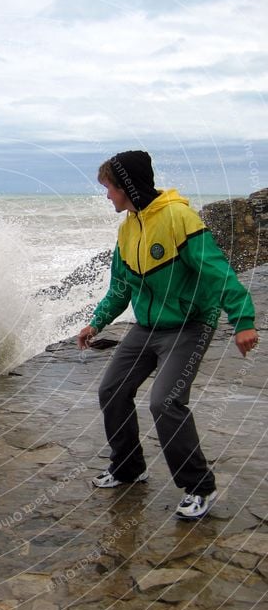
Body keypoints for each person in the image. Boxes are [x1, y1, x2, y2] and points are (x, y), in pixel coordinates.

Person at [77, 150, 259, 520]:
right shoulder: (128, 228)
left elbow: (216, 271)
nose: (108, 196)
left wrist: (243, 320)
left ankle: (199, 487)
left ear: (128, 186)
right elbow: (120, 288)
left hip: (190, 325)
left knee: (165, 401)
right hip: (146, 327)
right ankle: (128, 469)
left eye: (110, 188)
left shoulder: (179, 218)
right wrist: (96, 322)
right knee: (112, 390)